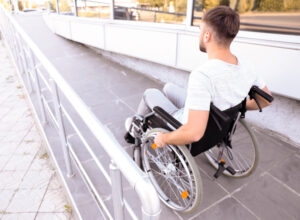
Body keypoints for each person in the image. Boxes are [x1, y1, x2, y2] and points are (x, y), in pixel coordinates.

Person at [125, 6, 272, 148]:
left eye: (200, 30)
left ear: (207, 36)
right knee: (168, 87)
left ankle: (134, 130)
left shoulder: (203, 75)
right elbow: (266, 99)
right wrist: (237, 106)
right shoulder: (247, 64)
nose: (199, 34)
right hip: (214, 119)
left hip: (185, 123)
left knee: (150, 93)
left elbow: (194, 133)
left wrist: (164, 138)